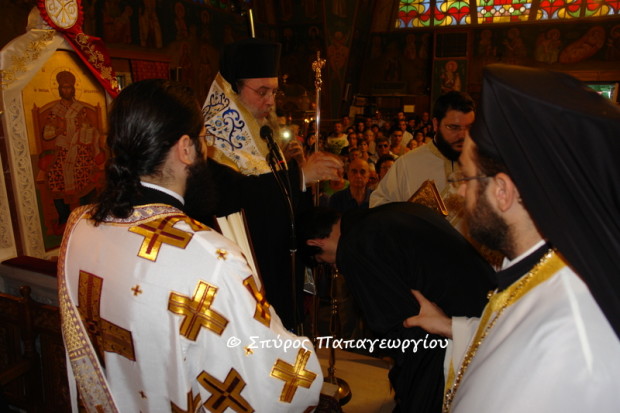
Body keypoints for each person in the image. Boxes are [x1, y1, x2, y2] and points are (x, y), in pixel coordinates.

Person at [58, 79, 323, 411]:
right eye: (203, 139)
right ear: (186, 148)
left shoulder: (79, 225)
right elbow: (272, 382)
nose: (207, 150)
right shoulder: (211, 258)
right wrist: (303, 354)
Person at [404, 65, 620, 412]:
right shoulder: (541, 270)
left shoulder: (576, 339)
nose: (459, 193)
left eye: (466, 179)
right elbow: (515, 335)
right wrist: (451, 326)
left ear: (502, 192)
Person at [194, 38, 342, 330]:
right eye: (262, 91)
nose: (271, 101)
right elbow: (236, 199)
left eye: (274, 91)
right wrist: (299, 177)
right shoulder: (213, 143)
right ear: (232, 90)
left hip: (278, 270)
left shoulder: (263, 135)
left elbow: (280, 203)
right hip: (243, 283)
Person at [297, 202, 493, 413]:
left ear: (316, 242)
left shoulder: (354, 247)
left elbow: (400, 327)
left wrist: (408, 387)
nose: (334, 266)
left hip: (455, 336)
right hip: (488, 308)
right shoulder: (388, 212)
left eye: (323, 261)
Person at [370, 91, 475, 231]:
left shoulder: (486, 164)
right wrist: (409, 219)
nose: (463, 135)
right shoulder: (407, 164)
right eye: (454, 127)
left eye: (469, 127)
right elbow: (378, 208)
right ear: (436, 124)